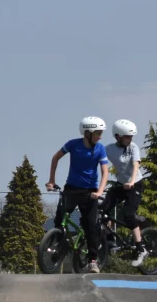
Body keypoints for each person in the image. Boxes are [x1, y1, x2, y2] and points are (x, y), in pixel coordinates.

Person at [46, 116, 111, 273]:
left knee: (90, 225)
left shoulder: (100, 148)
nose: (100, 135)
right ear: (87, 133)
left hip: (90, 193)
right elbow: (55, 158)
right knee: (60, 217)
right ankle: (57, 245)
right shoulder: (73, 144)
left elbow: (105, 172)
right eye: (97, 132)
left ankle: (92, 260)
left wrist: (99, 191)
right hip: (71, 188)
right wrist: (51, 181)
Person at [102, 118, 148, 267]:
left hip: (135, 185)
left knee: (128, 214)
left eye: (131, 137)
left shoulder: (133, 147)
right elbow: (97, 157)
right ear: (118, 137)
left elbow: (136, 166)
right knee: (103, 209)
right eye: (127, 137)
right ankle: (109, 240)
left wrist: (132, 182)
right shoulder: (109, 149)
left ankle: (141, 248)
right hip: (122, 185)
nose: (130, 139)